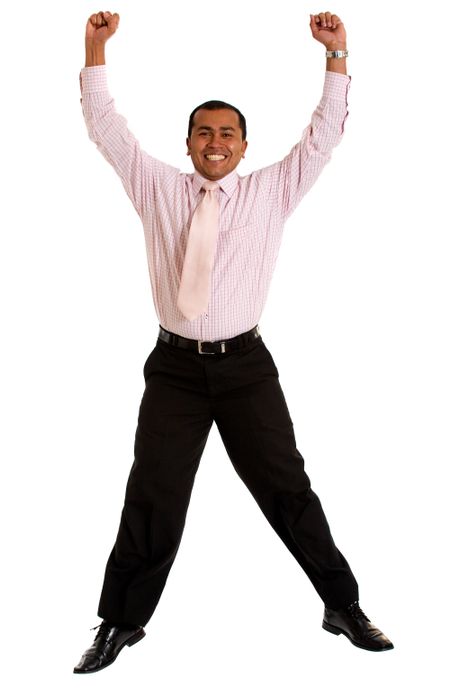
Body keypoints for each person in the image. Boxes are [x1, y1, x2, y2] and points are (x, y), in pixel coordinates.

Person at [73, 9, 393, 675]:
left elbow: (323, 138)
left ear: (244, 147)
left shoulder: (272, 190)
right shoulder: (155, 186)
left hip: (245, 365)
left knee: (287, 489)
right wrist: (94, 49)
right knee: (153, 493)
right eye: (204, 132)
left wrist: (336, 58)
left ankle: (343, 606)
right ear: (187, 142)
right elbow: (107, 129)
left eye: (227, 134)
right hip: (175, 370)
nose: (215, 142)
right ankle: (120, 622)